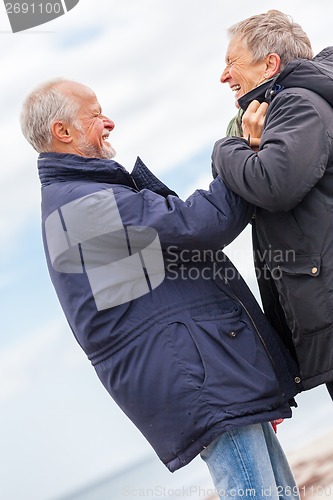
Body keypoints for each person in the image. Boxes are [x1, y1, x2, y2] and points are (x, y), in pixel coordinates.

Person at [21, 78, 301, 499]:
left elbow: (174, 282)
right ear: (63, 132)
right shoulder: (84, 204)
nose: (108, 122)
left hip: (209, 374)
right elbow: (200, 224)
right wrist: (242, 149)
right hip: (204, 380)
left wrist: (250, 383)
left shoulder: (81, 199)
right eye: (95, 115)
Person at [212, 9, 333, 400]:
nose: (224, 75)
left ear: (270, 64)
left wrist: (227, 149)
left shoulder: (297, 103)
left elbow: (274, 184)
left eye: (232, 62)